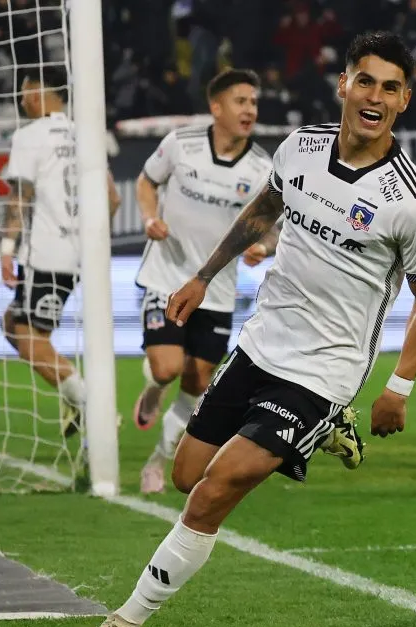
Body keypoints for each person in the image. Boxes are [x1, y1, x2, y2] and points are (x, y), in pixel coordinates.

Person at [82, 31, 416, 627]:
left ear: (404, 101)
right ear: (344, 85)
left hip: (322, 371)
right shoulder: (301, 148)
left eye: (391, 88)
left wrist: (400, 387)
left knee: (215, 489)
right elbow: (263, 210)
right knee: (184, 474)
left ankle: (126, 621)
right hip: (260, 346)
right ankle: (322, 434)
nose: (375, 96)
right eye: (366, 81)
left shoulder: (414, 207)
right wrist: (202, 277)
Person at [133, 68, 276, 494]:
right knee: (168, 367)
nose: (249, 109)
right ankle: (155, 386)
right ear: (217, 107)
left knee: (197, 383)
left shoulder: (263, 166)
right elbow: (146, 182)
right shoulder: (181, 144)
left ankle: (155, 462)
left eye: (253, 101)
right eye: (240, 101)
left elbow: (269, 225)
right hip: (166, 275)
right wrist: (150, 217)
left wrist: (262, 247)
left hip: (217, 288)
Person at [0, 66, 121, 437]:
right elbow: (113, 199)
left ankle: (94, 408)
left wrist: (6, 248)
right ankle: (78, 401)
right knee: (13, 326)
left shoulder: (29, 136)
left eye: (24, 93)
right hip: (76, 255)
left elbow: (21, 196)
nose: (21, 101)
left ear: (36, 93)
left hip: (45, 254)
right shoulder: (87, 134)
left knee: (28, 339)